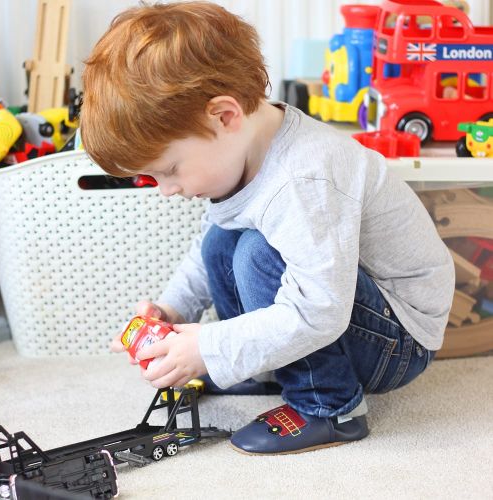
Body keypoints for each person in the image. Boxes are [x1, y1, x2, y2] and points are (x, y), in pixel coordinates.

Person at [80, 2, 455, 455]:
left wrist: (212, 347)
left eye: (170, 169)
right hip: (348, 312)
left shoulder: (302, 178)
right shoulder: (242, 158)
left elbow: (320, 309)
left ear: (224, 116)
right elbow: (206, 253)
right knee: (223, 241)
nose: (166, 190)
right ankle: (267, 370)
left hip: (399, 341)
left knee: (257, 252)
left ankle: (330, 407)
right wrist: (175, 308)